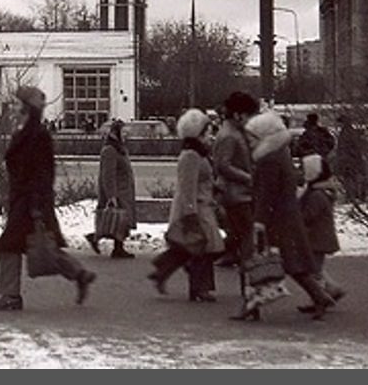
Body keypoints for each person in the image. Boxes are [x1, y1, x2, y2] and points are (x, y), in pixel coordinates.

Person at [0, 86, 96, 311]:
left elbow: (43, 173)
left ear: (27, 107)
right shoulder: (24, 131)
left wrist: (37, 204)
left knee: (11, 246)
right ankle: (79, 273)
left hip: (30, 201)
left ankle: (10, 296)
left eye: (17, 104)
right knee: (40, 245)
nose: (13, 107)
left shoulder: (38, 135)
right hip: (25, 200)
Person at [232, 111, 335, 321]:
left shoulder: (268, 159)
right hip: (285, 217)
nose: (249, 142)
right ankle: (318, 297)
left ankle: (252, 305)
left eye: (252, 137)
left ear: (264, 136)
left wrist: (259, 220)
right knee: (292, 264)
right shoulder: (279, 154)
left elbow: (266, 193)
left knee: (257, 261)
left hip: (275, 219)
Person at [147, 108, 225, 302]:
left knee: (198, 249)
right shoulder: (191, 156)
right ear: (197, 133)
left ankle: (165, 271)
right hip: (196, 209)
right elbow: (187, 187)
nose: (210, 136)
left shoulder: (198, 153)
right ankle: (199, 288)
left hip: (203, 207)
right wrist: (190, 214)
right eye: (207, 132)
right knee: (205, 249)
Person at [213, 92, 259, 296]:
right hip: (236, 195)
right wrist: (248, 177)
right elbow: (223, 165)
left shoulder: (235, 132)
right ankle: (250, 290)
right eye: (249, 115)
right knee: (247, 244)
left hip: (241, 194)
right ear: (239, 114)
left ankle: (250, 289)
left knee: (247, 243)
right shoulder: (229, 135)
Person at [297, 153, 345, 312]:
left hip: (316, 238)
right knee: (316, 269)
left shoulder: (316, 195)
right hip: (321, 237)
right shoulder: (323, 192)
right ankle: (331, 290)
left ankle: (320, 297)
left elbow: (308, 216)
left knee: (312, 271)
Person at [85, 119, 137, 259]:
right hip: (118, 191)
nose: (126, 136)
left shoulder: (119, 148)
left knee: (119, 221)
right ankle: (99, 239)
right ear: (116, 132)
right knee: (117, 219)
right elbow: (108, 175)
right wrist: (111, 195)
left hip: (124, 190)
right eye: (124, 132)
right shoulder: (110, 150)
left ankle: (116, 247)